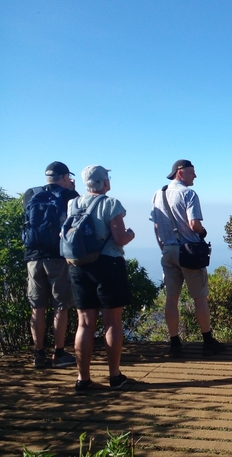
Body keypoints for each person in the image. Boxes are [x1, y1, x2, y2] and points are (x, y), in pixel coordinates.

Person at [69, 165, 135, 394]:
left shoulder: (73, 203)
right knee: (112, 322)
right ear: (105, 182)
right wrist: (131, 235)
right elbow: (119, 238)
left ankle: (82, 379)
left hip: (78, 266)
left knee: (84, 324)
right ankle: (115, 376)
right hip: (108, 265)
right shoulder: (110, 203)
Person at [150, 159, 225, 357]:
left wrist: (164, 247)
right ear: (180, 173)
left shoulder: (159, 194)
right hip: (189, 252)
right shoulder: (189, 194)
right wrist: (203, 232)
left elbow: (156, 226)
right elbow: (194, 224)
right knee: (200, 297)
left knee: (171, 298)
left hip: (168, 250)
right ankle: (207, 341)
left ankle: (174, 343)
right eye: (192, 172)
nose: (195, 176)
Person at [22, 162, 79, 369]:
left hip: (33, 257)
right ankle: (59, 353)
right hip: (57, 257)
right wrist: (72, 190)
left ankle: (38, 354)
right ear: (64, 177)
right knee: (60, 306)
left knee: (37, 307)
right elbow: (78, 217)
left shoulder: (30, 194)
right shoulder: (69, 196)